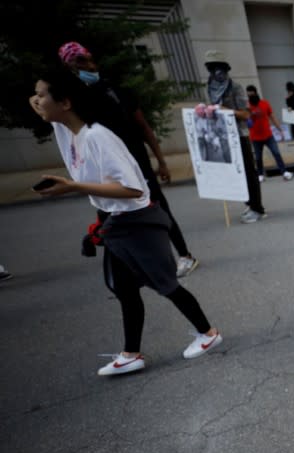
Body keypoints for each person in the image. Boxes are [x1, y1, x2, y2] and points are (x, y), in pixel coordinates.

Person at [30, 67, 222, 376]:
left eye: (41, 95)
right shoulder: (69, 131)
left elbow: (133, 187)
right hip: (115, 221)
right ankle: (131, 352)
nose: (36, 101)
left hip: (136, 219)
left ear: (65, 103)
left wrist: (73, 186)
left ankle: (208, 333)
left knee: (165, 283)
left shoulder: (97, 137)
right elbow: (44, 112)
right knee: (124, 287)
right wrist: (41, 99)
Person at [58, 42, 199, 278]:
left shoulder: (117, 91)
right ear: (68, 67)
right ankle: (133, 266)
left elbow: (143, 127)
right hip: (108, 169)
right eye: (81, 61)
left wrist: (161, 162)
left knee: (159, 209)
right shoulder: (75, 101)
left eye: (89, 59)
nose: (89, 65)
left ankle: (184, 255)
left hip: (138, 164)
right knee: (111, 217)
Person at [204, 50, 267, 224]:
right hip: (221, 136)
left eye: (220, 68)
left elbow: (246, 115)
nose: (217, 72)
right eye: (212, 68)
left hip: (239, 135)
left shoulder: (236, 87)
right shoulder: (208, 87)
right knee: (236, 174)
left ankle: (257, 208)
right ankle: (249, 203)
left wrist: (226, 111)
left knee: (249, 172)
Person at [245, 85, 294, 182]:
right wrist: (248, 113)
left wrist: (280, 130)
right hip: (255, 138)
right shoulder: (247, 106)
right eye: (249, 95)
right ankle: (260, 174)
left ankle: (284, 172)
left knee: (276, 153)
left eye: (252, 94)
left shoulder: (264, 104)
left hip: (268, 135)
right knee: (258, 157)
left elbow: (272, 117)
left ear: (256, 93)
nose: (250, 96)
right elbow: (246, 121)